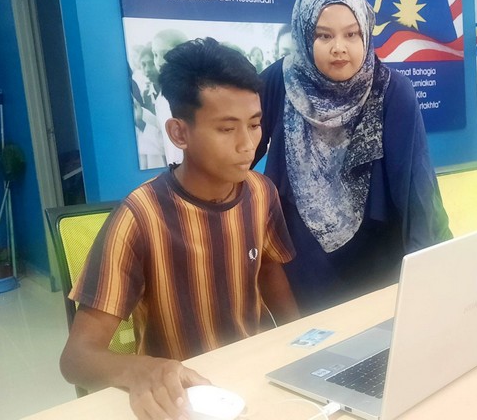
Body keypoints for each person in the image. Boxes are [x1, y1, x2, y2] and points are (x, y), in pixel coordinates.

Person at [61, 37, 299, 420]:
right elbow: (76, 359)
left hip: (252, 379)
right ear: (178, 133)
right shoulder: (139, 217)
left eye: (255, 125)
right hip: (181, 398)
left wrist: (299, 341)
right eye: (226, 129)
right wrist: (139, 370)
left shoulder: (261, 192)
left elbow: (270, 269)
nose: (247, 145)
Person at [255, 0, 452, 316]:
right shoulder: (280, 81)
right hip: (298, 258)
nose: (339, 48)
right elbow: (239, 148)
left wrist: (427, 278)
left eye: (351, 34)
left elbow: (416, 190)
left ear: (366, 33)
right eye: (323, 35)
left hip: (376, 258)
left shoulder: (391, 90)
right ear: (304, 34)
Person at [152, 29, 189, 166]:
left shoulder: (201, 94)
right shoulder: (161, 98)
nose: (159, 61)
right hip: (178, 171)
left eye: (165, 54)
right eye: (155, 54)